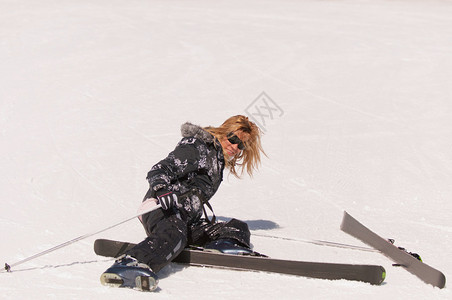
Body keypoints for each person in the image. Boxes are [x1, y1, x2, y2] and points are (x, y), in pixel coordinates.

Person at [100, 115, 265, 292]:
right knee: (175, 233)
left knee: (237, 228)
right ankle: (130, 262)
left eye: (241, 145)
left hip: (184, 218)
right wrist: (162, 189)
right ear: (224, 131)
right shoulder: (198, 146)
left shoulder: (217, 159)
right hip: (161, 207)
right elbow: (160, 169)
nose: (235, 147)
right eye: (233, 139)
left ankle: (214, 246)